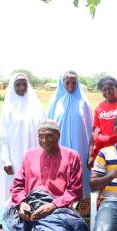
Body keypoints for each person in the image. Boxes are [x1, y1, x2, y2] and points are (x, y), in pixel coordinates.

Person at [2, 120, 89, 231]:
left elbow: (75, 191)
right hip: (30, 208)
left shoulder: (72, 156)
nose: (44, 141)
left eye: (49, 136)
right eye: (40, 137)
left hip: (59, 210)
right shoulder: (29, 155)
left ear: (58, 135)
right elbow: (17, 186)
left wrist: (52, 206)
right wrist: (22, 204)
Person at [0, 73, 46, 218]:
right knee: (15, 186)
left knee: (34, 185)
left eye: (24, 84)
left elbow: (44, 132)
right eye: (18, 84)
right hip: (15, 156)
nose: (21, 87)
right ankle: (11, 218)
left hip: (35, 155)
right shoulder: (8, 108)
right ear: (13, 86)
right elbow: (3, 137)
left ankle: (34, 214)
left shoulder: (36, 106)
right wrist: (6, 160)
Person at [46, 70, 93, 200]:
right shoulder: (55, 102)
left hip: (80, 146)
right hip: (60, 145)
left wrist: (90, 151)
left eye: (74, 83)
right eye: (67, 83)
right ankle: (59, 204)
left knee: (79, 173)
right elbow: (48, 127)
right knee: (59, 174)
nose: (71, 86)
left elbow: (90, 128)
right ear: (62, 83)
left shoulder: (83, 102)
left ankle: (82, 206)